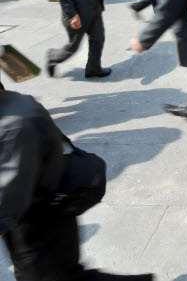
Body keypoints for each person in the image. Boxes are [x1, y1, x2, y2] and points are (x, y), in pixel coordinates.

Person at [0, 80, 154, 281]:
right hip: (36, 214)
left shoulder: (14, 125)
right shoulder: (16, 104)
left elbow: (10, 195)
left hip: (40, 218)